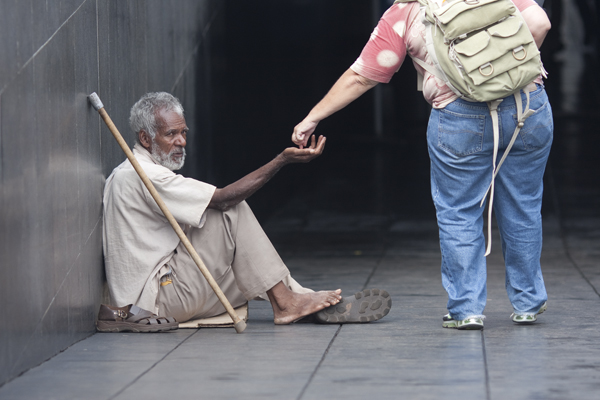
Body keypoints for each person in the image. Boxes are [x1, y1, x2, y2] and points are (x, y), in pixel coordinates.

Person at [292, 0, 552, 330]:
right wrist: (506, 75)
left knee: (459, 211)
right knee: (523, 204)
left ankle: (467, 309)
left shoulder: (405, 12)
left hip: (459, 115)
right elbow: (540, 24)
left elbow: (364, 74)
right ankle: (528, 303)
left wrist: (312, 118)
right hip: (527, 106)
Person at [101, 92, 392, 330]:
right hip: (157, 302)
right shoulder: (143, 174)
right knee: (229, 211)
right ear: (145, 139)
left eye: (183, 133)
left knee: (250, 266)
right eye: (171, 134)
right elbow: (224, 200)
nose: (181, 142)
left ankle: (300, 300)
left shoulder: (138, 171)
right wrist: (281, 161)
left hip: (169, 291)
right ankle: (289, 303)